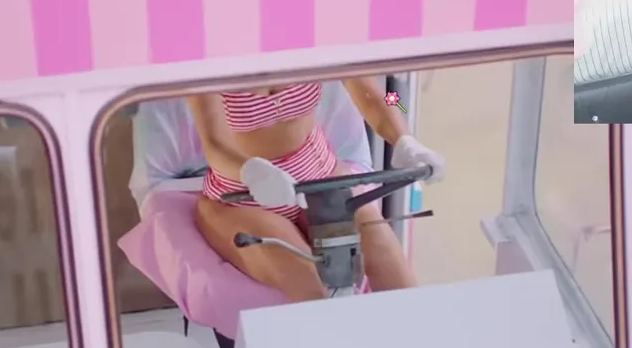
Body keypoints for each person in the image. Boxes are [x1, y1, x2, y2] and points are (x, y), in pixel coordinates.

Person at [186, 78, 446, 302]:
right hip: (245, 196)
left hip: (320, 175)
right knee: (308, 283)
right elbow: (214, 143)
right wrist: (252, 173)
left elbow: (383, 96)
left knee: (384, 251)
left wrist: (404, 139)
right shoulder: (214, 54)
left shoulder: (319, 40)